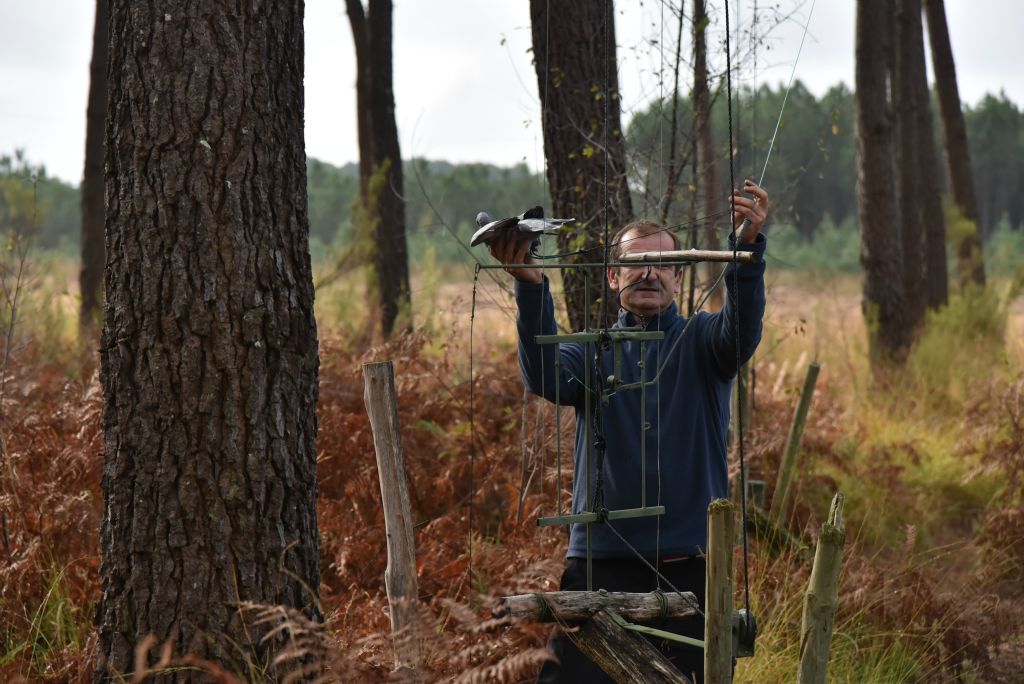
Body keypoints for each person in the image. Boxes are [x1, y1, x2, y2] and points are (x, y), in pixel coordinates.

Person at [488, 180, 769, 683]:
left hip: (689, 567)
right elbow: (545, 374)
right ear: (613, 278)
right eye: (635, 263)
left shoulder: (705, 342)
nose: (649, 272)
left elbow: (741, 330)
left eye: (663, 263)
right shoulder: (593, 351)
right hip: (600, 563)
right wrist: (530, 284)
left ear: (678, 278)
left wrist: (745, 250)